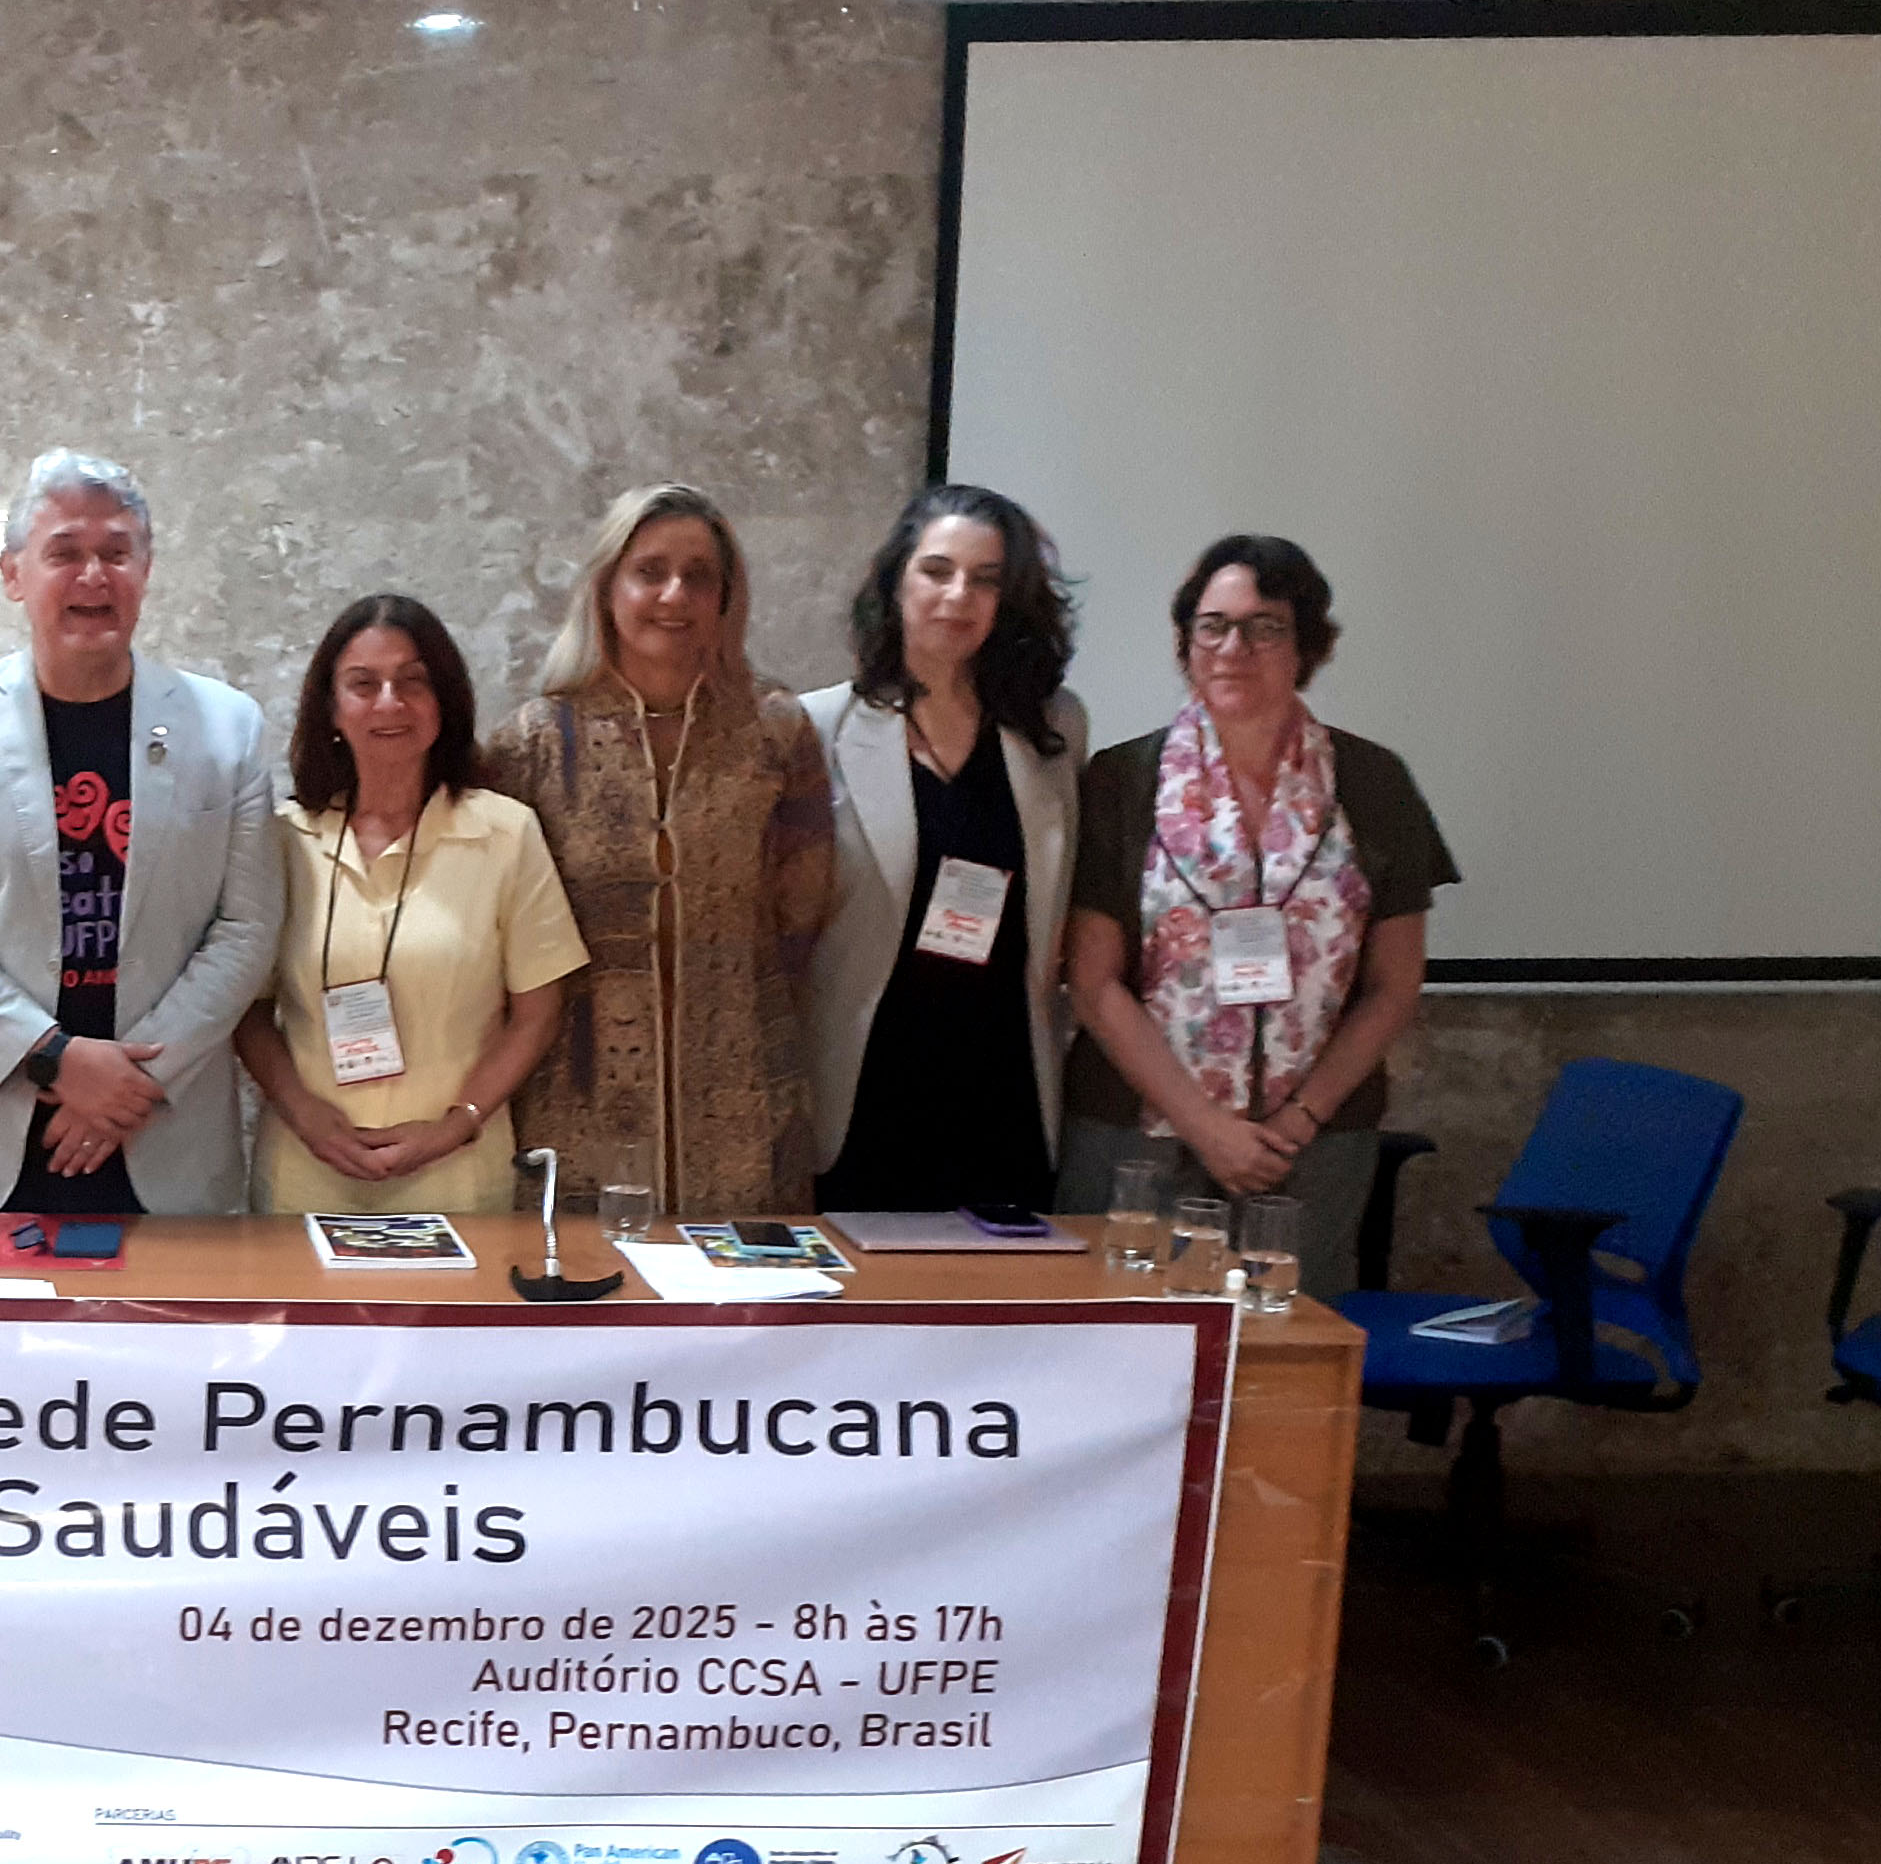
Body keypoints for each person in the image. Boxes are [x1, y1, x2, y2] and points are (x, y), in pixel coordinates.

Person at [0, 449, 276, 1215]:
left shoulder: (229, 728)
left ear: (145, 571)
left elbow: (247, 930)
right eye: (64, 552)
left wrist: (130, 1085)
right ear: (13, 574)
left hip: (161, 1134)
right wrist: (54, 1058)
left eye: (116, 552)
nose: (94, 575)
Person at [1055, 534, 1457, 1297]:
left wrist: (1299, 1120)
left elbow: (1395, 984)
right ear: (1186, 642)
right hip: (1136, 1137)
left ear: (1307, 646)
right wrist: (1206, 1127)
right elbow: (1094, 980)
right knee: (1124, 1345)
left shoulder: (1374, 782)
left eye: (1264, 627)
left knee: (1287, 1353)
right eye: (1212, 626)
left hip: (1310, 1147)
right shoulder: (1122, 779)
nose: (1233, 648)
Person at [485, 483, 833, 1217]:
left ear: (726, 597)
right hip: (573, 1106)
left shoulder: (776, 733)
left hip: (742, 1102)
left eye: (698, 576)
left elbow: (800, 917)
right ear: (607, 586)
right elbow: (501, 949)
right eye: (650, 572)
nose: (675, 595)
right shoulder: (534, 744)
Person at [234, 595, 585, 1214]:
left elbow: (537, 1014)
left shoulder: (506, 834)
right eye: (363, 685)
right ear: (331, 708)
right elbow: (248, 1008)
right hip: (306, 1170)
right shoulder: (282, 839)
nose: (390, 703)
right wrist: (304, 1113)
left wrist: (455, 1124)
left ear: (443, 701)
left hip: (456, 1175)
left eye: (413, 682)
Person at [801, 485, 1088, 1213]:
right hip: (867, 1091)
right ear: (895, 582)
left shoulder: (1053, 728)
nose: (959, 596)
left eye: (985, 579)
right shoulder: (818, 728)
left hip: (1005, 1089)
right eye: (937, 570)